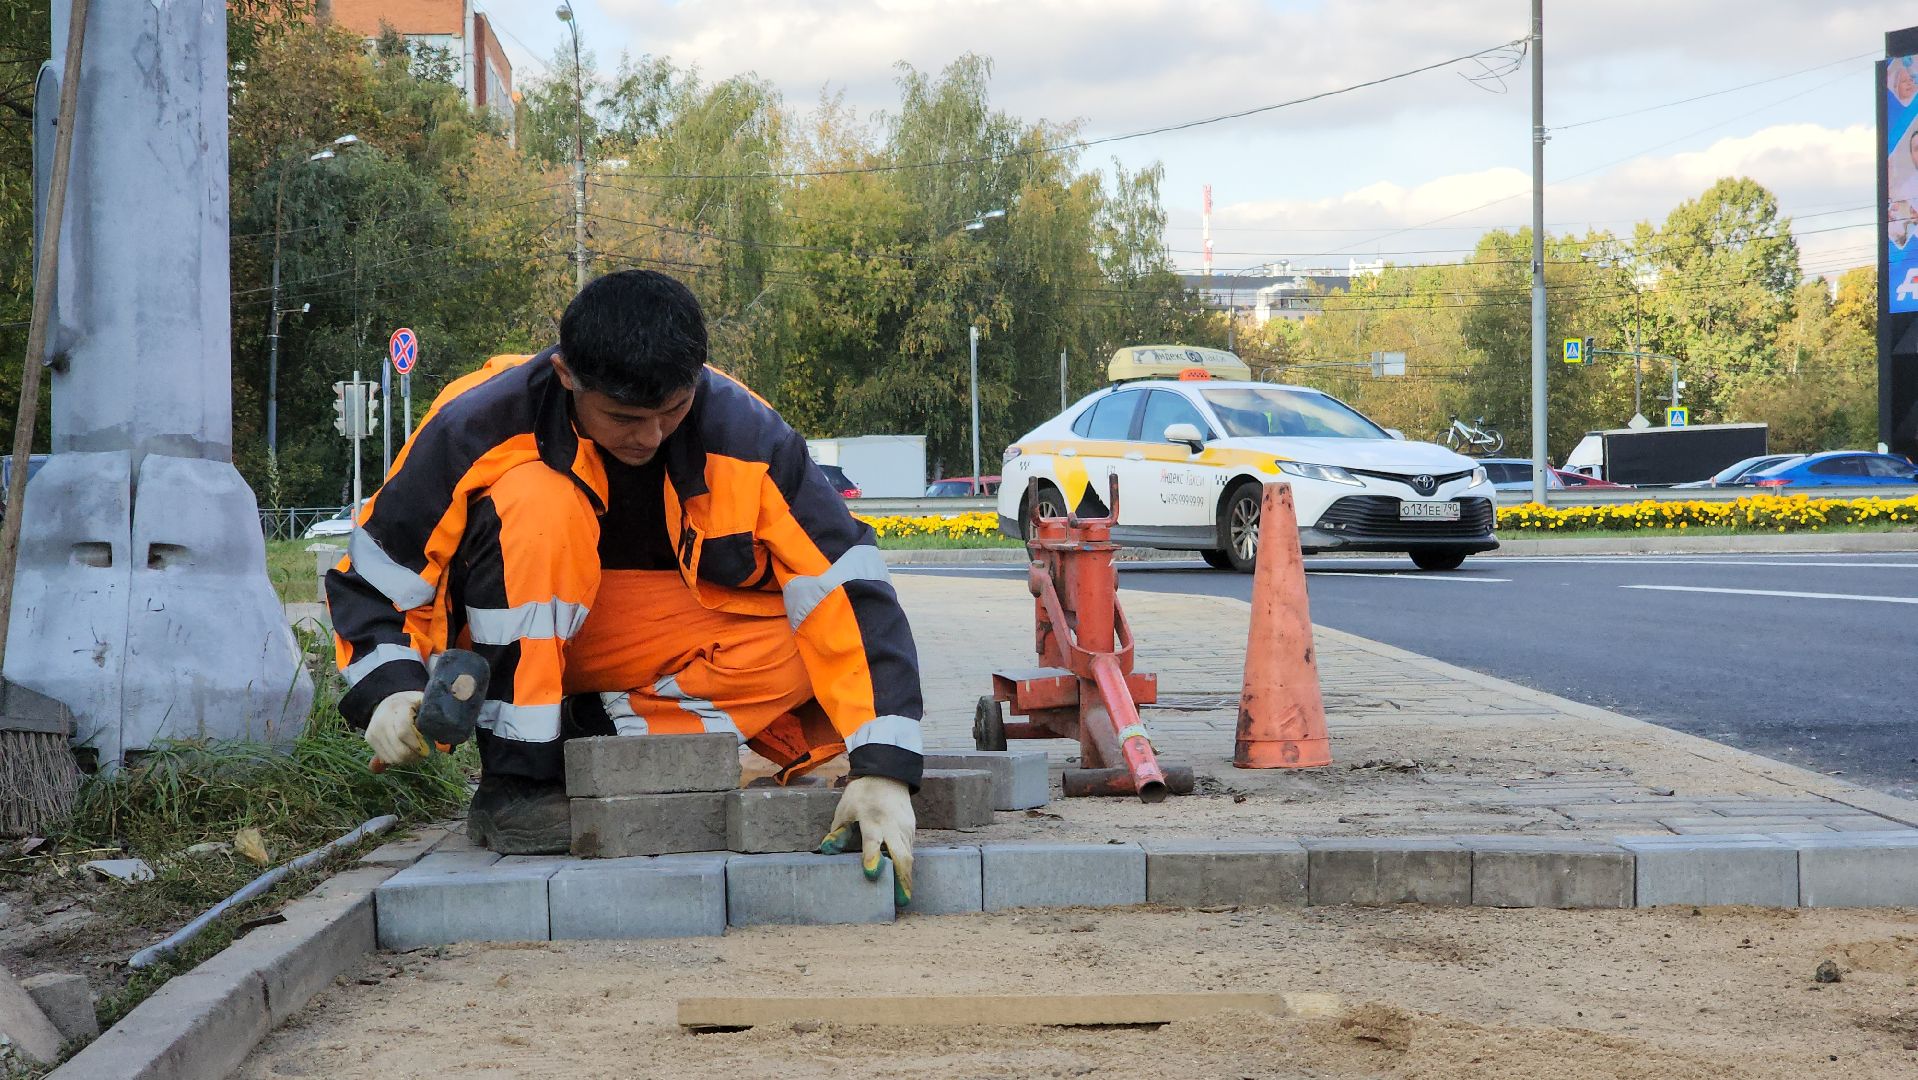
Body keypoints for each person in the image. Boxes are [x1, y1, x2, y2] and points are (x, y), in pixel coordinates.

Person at [326, 270, 921, 902]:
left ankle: (593, 738)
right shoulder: (477, 424)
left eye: (674, 411)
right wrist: (390, 691)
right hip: (505, 637)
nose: (651, 437)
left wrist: (883, 769)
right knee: (540, 506)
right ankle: (518, 784)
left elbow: (844, 585)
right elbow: (376, 582)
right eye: (625, 417)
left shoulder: (748, 437)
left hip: (624, 638)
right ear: (567, 377)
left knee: (803, 644)